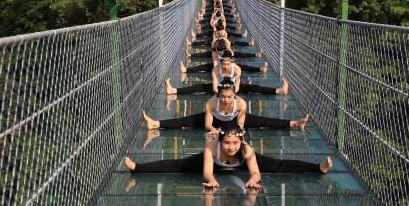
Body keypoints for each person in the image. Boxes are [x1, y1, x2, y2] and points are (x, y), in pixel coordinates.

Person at [123, 126, 333, 189]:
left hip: (239, 167)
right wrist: (211, 179)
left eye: (235, 143)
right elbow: (206, 171)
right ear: (221, 141)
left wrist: (253, 179)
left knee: (278, 164)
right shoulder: (211, 148)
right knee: (176, 164)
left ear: (240, 142)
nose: (231, 146)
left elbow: (255, 171)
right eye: (227, 142)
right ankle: (137, 167)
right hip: (216, 164)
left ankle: (318, 167)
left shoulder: (246, 150)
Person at [142, 78, 309, 132]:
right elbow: (207, 124)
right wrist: (214, 130)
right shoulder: (212, 102)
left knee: (262, 121)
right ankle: (155, 123)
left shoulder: (241, 104)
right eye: (223, 97)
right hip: (215, 120)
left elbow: (240, 125)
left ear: (234, 95)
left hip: (234, 119)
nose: (226, 100)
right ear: (219, 95)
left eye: (229, 97)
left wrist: (233, 133)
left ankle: (294, 123)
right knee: (187, 121)